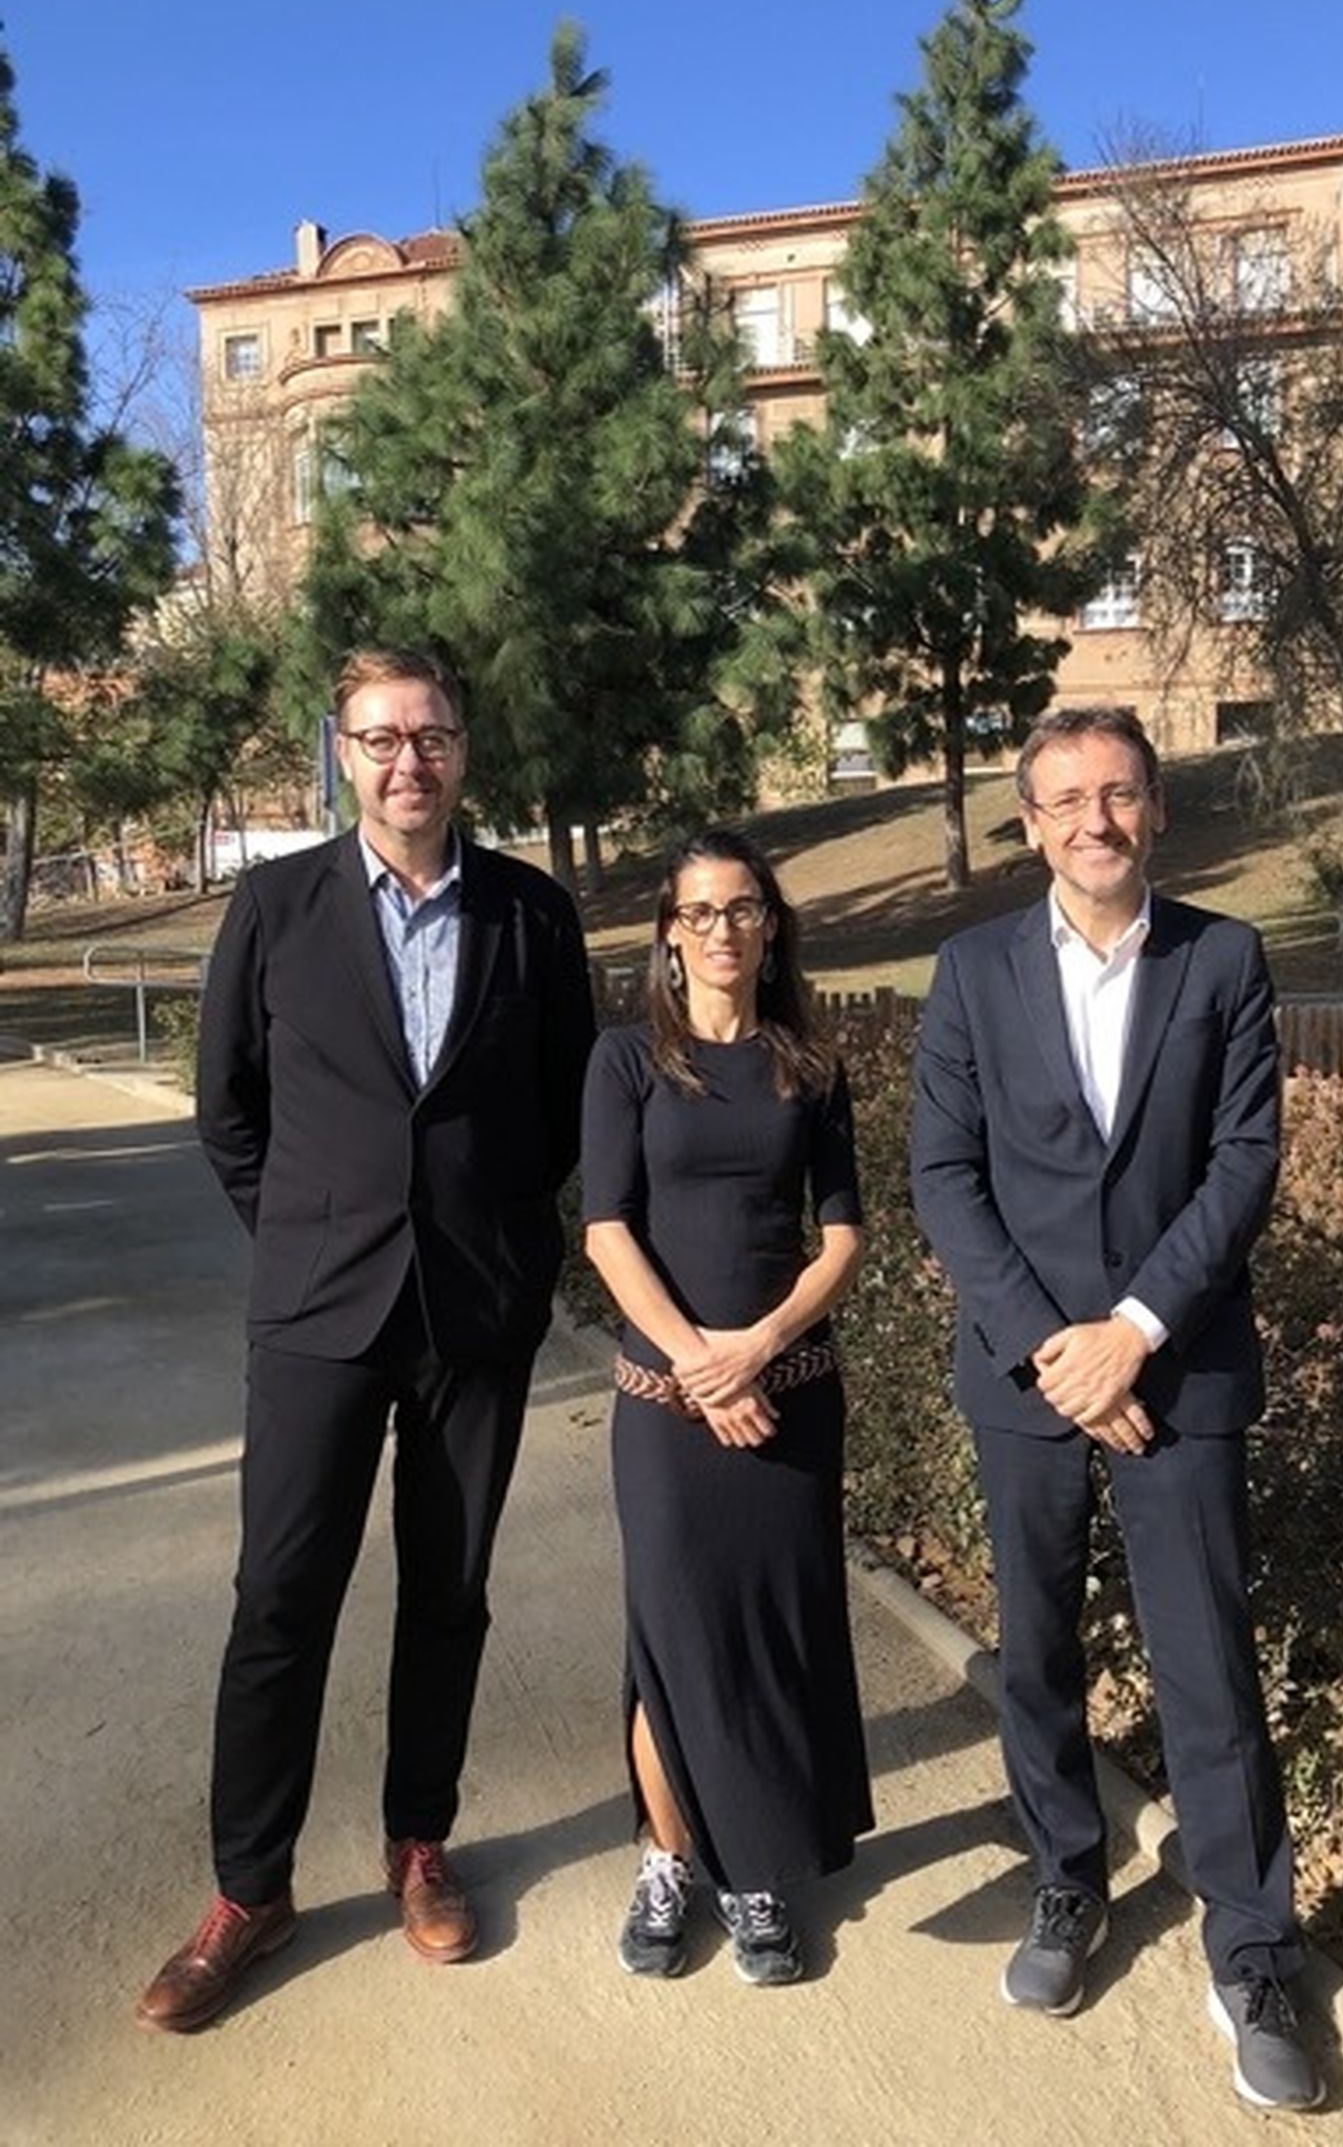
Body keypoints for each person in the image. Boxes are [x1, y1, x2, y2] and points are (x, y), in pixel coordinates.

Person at [136, 646, 594, 2032]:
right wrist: (306, 1231)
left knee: (448, 1590)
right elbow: (229, 1109)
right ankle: (249, 1887)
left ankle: (418, 1841)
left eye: (433, 733)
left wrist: (509, 1245)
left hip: (474, 1313)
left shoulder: (529, 914)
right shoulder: (275, 907)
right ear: (342, 752)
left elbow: (568, 1107)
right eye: (381, 735)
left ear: (466, 749)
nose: (410, 759)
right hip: (320, 1317)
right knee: (280, 1597)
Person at [909, 705, 1322, 2114]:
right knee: (1037, 1653)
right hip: (1028, 1387)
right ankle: (1066, 1881)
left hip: (1181, 1365)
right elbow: (944, 1180)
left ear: (1157, 812)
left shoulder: (1224, 958)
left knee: (1209, 1668)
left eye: (1121, 793)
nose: (1096, 818)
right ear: (1029, 819)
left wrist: (1133, 1334)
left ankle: (1253, 1948)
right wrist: (1055, 1353)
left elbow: (1244, 1160)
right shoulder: (968, 973)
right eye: (1067, 797)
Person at [580, 827, 872, 1988]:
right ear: (668, 931)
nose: (721, 931)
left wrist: (757, 1346)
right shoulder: (626, 1063)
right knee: (673, 1636)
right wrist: (698, 1362)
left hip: (790, 1396)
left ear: (771, 925)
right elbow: (605, 1226)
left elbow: (842, 1236)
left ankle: (755, 1872)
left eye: (742, 908)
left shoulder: (810, 1062)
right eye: (698, 912)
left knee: (769, 1637)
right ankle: (669, 1855)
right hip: (665, 1406)